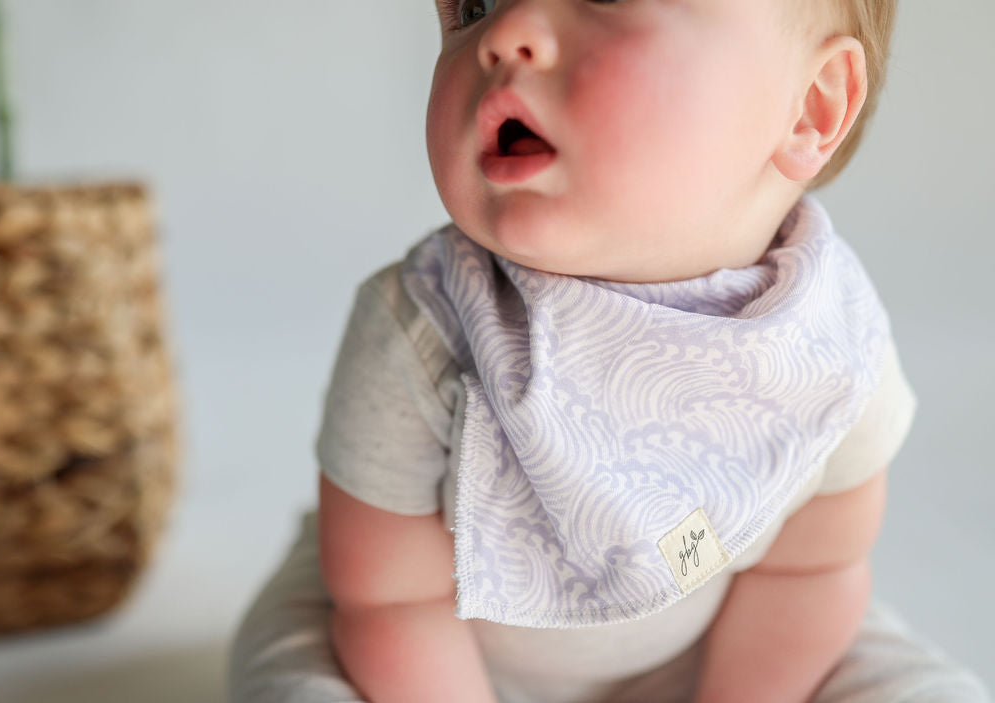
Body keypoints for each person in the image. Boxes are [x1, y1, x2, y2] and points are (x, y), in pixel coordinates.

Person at [230, 1, 992, 701]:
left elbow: (809, 571)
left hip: (724, 639)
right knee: (296, 679)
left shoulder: (826, 341)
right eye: (471, 5)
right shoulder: (426, 324)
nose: (501, 34)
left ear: (811, 108)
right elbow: (389, 601)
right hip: (425, 650)